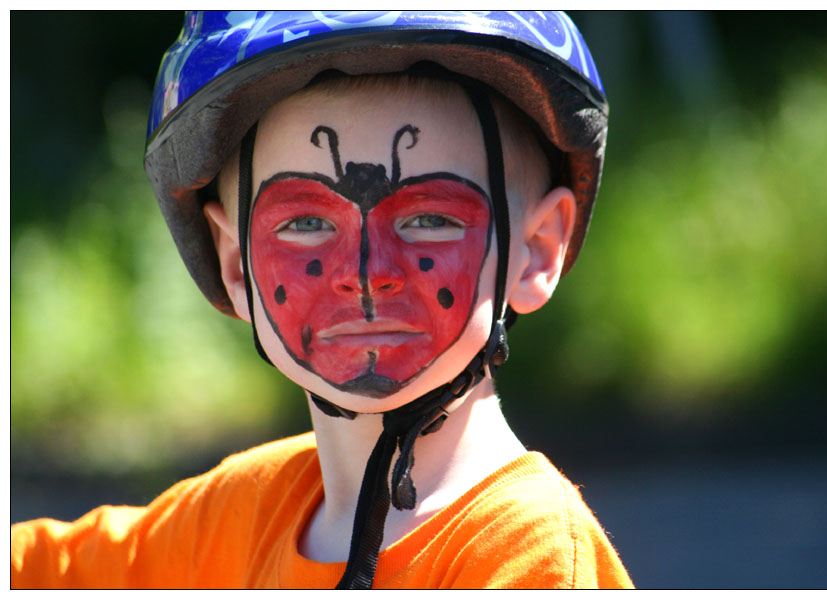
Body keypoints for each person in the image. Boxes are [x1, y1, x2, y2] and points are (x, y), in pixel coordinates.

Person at [11, 11, 633, 589]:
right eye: (305, 223)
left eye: (430, 218)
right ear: (235, 263)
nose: (365, 275)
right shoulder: (239, 515)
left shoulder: (531, 556)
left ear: (537, 249)